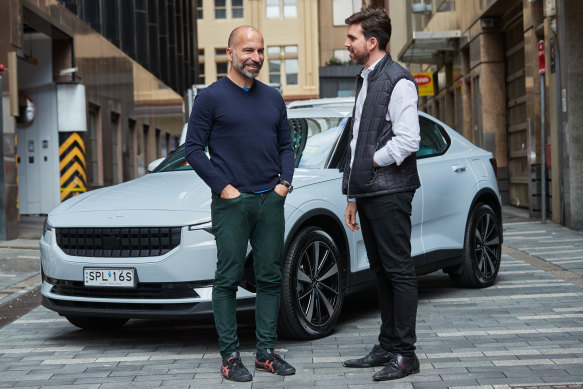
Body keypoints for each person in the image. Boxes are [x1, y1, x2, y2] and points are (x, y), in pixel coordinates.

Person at [185, 26, 296, 382]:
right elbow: (193, 150)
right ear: (230, 53)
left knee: (269, 276)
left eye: (261, 51)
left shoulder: (273, 97)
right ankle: (230, 356)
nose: (256, 58)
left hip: (270, 200)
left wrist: (284, 184)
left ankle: (265, 352)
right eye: (248, 50)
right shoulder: (211, 97)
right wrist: (223, 188)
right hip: (232, 202)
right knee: (228, 278)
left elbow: (286, 147)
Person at [340, 8, 422, 382]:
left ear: (371, 42)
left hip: (391, 191)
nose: (347, 44)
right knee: (382, 272)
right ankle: (388, 345)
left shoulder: (398, 80)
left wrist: (372, 162)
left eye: (352, 38)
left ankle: (406, 354)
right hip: (369, 192)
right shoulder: (366, 79)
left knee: (399, 271)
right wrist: (353, 195)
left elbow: (408, 140)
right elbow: (357, 139)